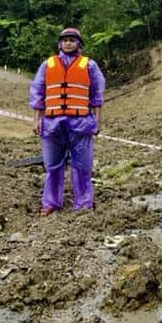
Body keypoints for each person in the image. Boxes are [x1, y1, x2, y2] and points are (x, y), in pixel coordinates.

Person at [29, 27, 106, 215]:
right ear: (59, 43)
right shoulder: (48, 65)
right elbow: (38, 92)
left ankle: (83, 203)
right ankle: (51, 202)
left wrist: (97, 119)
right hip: (52, 123)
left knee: (82, 166)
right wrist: (36, 120)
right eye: (65, 40)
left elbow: (96, 94)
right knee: (53, 166)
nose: (68, 43)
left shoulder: (89, 65)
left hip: (80, 122)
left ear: (79, 43)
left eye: (72, 40)